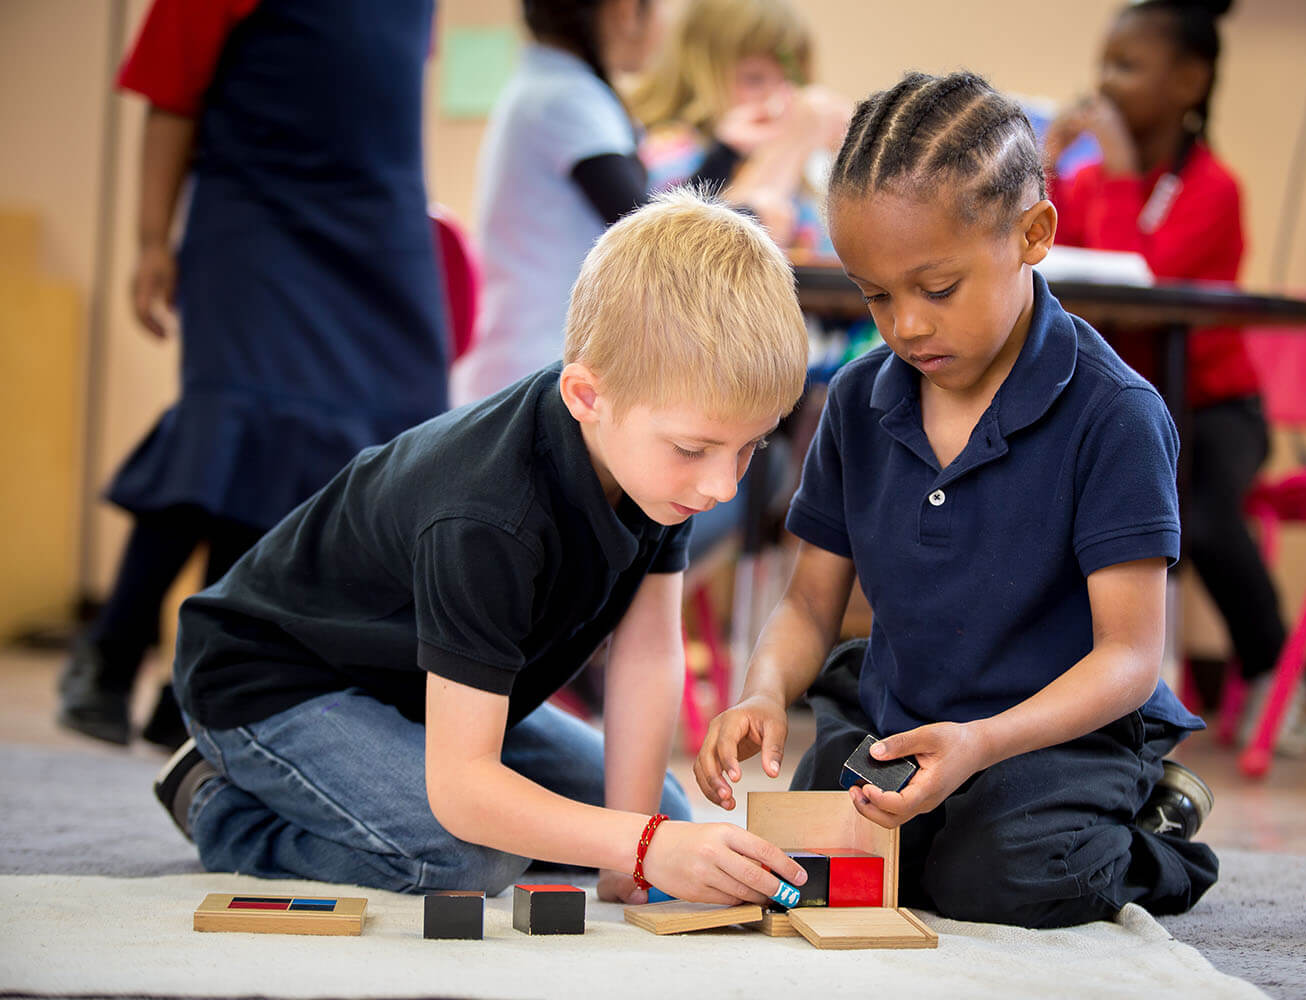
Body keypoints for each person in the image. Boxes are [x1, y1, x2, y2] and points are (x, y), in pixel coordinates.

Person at [152, 191, 812, 905]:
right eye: (696, 449)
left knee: (662, 814)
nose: (721, 485)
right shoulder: (489, 513)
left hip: (419, 694)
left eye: (750, 448)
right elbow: (464, 791)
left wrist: (635, 851)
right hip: (272, 684)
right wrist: (638, 843)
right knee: (468, 858)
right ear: (587, 396)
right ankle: (221, 807)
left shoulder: (658, 463)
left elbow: (648, 651)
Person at [693, 71, 1219, 929]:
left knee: (1003, 879)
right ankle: (951, 826)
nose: (904, 325)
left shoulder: (1114, 413)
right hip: (901, 720)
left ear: (1033, 235)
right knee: (818, 867)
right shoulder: (860, 404)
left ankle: (1157, 827)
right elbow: (807, 603)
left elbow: (1129, 658)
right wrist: (760, 692)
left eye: (936, 290)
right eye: (876, 295)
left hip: (1054, 737)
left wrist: (982, 742)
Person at [57, 0, 450, 750]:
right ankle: (108, 658)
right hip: (258, 213)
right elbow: (170, 99)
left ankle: (204, 682)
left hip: (376, 225)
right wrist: (150, 240)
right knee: (234, 421)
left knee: (388, 435)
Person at [1043, 1, 1306, 756]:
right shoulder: (1090, 178)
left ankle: (1275, 673)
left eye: (1127, 66)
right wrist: (1043, 169)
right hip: (1119, 406)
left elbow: (1141, 284)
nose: (1105, 82)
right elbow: (1037, 256)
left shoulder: (1213, 189)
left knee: (1198, 513)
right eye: (1104, 63)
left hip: (1214, 406)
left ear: (1190, 81)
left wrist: (1123, 176)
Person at [453, 0, 801, 406]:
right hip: (536, 367)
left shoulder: (553, 86)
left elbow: (651, 211)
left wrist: (725, 149)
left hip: (527, 361)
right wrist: (753, 216)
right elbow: (647, 232)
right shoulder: (567, 98)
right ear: (624, 11)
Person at [629, 0, 849, 254]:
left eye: (790, 81)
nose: (778, 99)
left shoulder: (795, 179)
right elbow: (690, 254)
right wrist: (791, 145)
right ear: (700, 76)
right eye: (755, 79)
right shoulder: (670, 152)